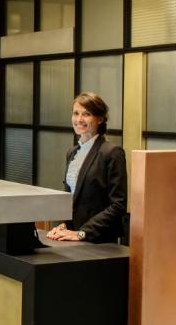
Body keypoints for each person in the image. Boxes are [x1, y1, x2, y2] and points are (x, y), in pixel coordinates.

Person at [45, 92, 128, 243]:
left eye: (86, 114)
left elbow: (118, 205)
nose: (79, 119)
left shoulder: (111, 152)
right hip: (71, 237)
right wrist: (63, 225)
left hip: (99, 241)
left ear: (100, 119)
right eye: (76, 113)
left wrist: (82, 233)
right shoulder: (72, 152)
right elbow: (71, 197)